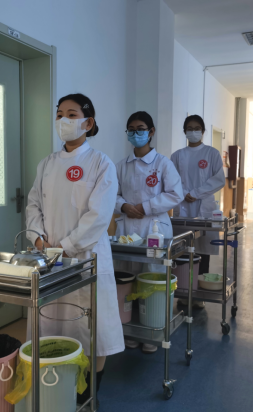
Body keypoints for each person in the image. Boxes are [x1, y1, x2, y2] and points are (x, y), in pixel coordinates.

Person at [26, 93, 124, 404]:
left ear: (88, 122)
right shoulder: (46, 164)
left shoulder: (101, 163)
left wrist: (67, 247)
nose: (63, 120)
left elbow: (99, 215)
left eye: (71, 114)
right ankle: (56, 385)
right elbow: (33, 204)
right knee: (50, 323)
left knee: (93, 329)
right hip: (49, 258)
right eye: (59, 114)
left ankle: (88, 393)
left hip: (87, 257)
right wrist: (38, 239)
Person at [114, 111, 183, 354]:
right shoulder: (121, 166)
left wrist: (146, 207)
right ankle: (131, 329)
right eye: (131, 129)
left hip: (154, 228)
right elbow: (112, 194)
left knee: (151, 278)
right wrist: (123, 206)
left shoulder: (163, 164)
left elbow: (175, 194)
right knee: (127, 278)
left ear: (151, 132)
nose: (136, 133)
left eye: (141, 129)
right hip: (126, 229)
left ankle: (152, 329)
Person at [171, 115, 226, 306]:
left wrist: (195, 193)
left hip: (204, 208)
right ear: (184, 131)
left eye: (196, 128)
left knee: (203, 252)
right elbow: (171, 180)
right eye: (189, 128)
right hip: (183, 206)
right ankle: (183, 292)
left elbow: (218, 179)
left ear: (203, 131)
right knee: (182, 251)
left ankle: (198, 297)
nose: (193, 131)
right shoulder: (177, 156)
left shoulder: (211, 153)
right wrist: (184, 193)